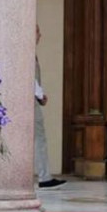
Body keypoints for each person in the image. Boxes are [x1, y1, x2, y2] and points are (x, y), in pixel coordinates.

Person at [34, 25, 64, 189]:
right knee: (39, 138)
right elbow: (30, 79)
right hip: (31, 102)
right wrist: (40, 96)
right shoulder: (26, 53)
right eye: (38, 31)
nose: (40, 35)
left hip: (32, 99)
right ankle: (44, 176)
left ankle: (45, 175)